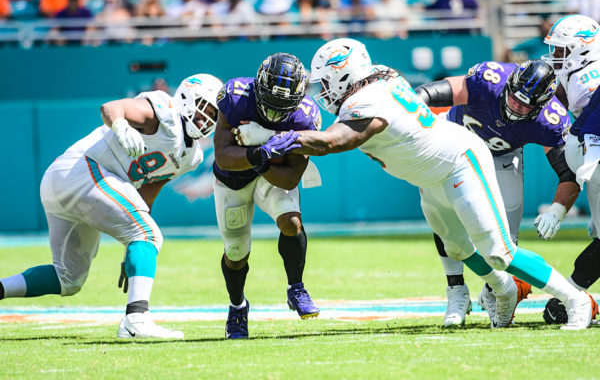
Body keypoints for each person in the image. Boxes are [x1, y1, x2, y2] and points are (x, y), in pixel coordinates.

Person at [235, 38, 594, 330]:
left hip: (459, 162)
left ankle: (575, 300)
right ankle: (502, 290)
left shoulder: (368, 98)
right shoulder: (377, 81)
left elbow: (335, 142)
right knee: (456, 249)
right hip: (430, 173)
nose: (323, 90)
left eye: (326, 81)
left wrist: (282, 140)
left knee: (499, 250)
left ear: (345, 76)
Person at [0, 73, 223, 339]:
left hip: (71, 183)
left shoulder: (192, 155)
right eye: (204, 108)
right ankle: (136, 320)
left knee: (68, 279)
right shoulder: (163, 112)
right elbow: (110, 108)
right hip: (82, 169)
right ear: (187, 98)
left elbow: (149, 190)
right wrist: (121, 126)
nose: (206, 119)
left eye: (213, 114)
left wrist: (137, 253)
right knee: (148, 234)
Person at [413, 60, 582, 326]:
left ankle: (495, 291)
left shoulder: (550, 119)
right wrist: (411, 110)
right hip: (456, 142)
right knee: (441, 212)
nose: (517, 106)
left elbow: (568, 174)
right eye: (516, 98)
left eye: (527, 105)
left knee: (505, 241)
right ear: (509, 85)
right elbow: (429, 94)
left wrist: (558, 211)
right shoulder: (489, 79)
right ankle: (456, 289)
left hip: (502, 155)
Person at [213, 52, 321, 339]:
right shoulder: (235, 96)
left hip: (271, 174)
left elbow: (291, 176)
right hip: (232, 179)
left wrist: (260, 156)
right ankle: (237, 307)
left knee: (292, 222)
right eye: (270, 102)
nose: (274, 111)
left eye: (282, 106)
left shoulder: (305, 117)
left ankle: (295, 287)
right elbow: (224, 157)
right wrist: (263, 152)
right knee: (236, 251)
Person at [542, 14, 600, 323]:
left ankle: (571, 295)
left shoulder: (589, 80)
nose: (556, 57)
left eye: (562, 50)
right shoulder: (578, 75)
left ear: (583, 50)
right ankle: (571, 295)